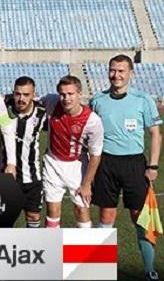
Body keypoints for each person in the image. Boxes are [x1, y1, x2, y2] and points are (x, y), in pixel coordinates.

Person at [90, 55, 161, 281]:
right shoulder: (97, 100)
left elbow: (155, 134)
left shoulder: (143, 100)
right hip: (106, 164)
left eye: (121, 71)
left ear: (131, 73)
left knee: (140, 217)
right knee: (106, 214)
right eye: (113, 70)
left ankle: (149, 269)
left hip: (134, 164)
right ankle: (100, 268)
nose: (116, 75)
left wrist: (153, 165)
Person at [42, 76, 104, 229]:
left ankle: (87, 244)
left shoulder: (92, 121)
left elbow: (96, 154)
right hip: (52, 163)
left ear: (79, 94)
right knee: (52, 211)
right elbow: (32, 102)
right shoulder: (51, 102)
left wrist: (87, 184)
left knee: (81, 210)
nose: (66, 98)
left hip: (77, 166)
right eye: (63, 94)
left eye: (71, 94)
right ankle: (52, 243)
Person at [0, 76, 48, 228]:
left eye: (26, 95)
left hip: (31, 175)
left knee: (33, 216)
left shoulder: (42, 113)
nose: (21, 99)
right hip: (6, 175)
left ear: (34, 95)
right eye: (18, 94)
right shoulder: (3, 108)